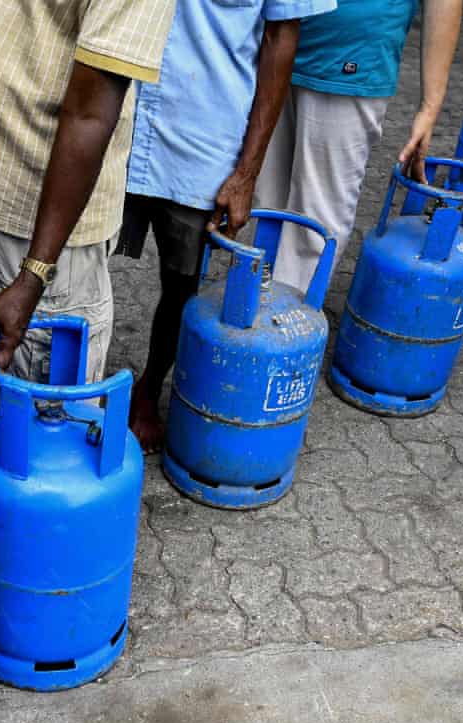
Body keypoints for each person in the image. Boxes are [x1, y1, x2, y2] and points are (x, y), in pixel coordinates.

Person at [0, 0, 177, 482]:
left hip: (37, 218)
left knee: (42, 407)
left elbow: (91, 113)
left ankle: (35, 526)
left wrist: (34, 274)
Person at [116, 0, 336, 453]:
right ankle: (63, 394)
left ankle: (149, 387)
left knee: (181, 284)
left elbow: (282, 36)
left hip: (200, 138)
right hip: (112, 117)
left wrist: (247, 173)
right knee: (73, 264)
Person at [255, 0, 463, 292]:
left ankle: (289, 326)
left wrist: (430, 107)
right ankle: (254, 307)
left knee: (316, 218)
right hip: (274, 39)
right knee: (267, 202)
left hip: (350, 53)